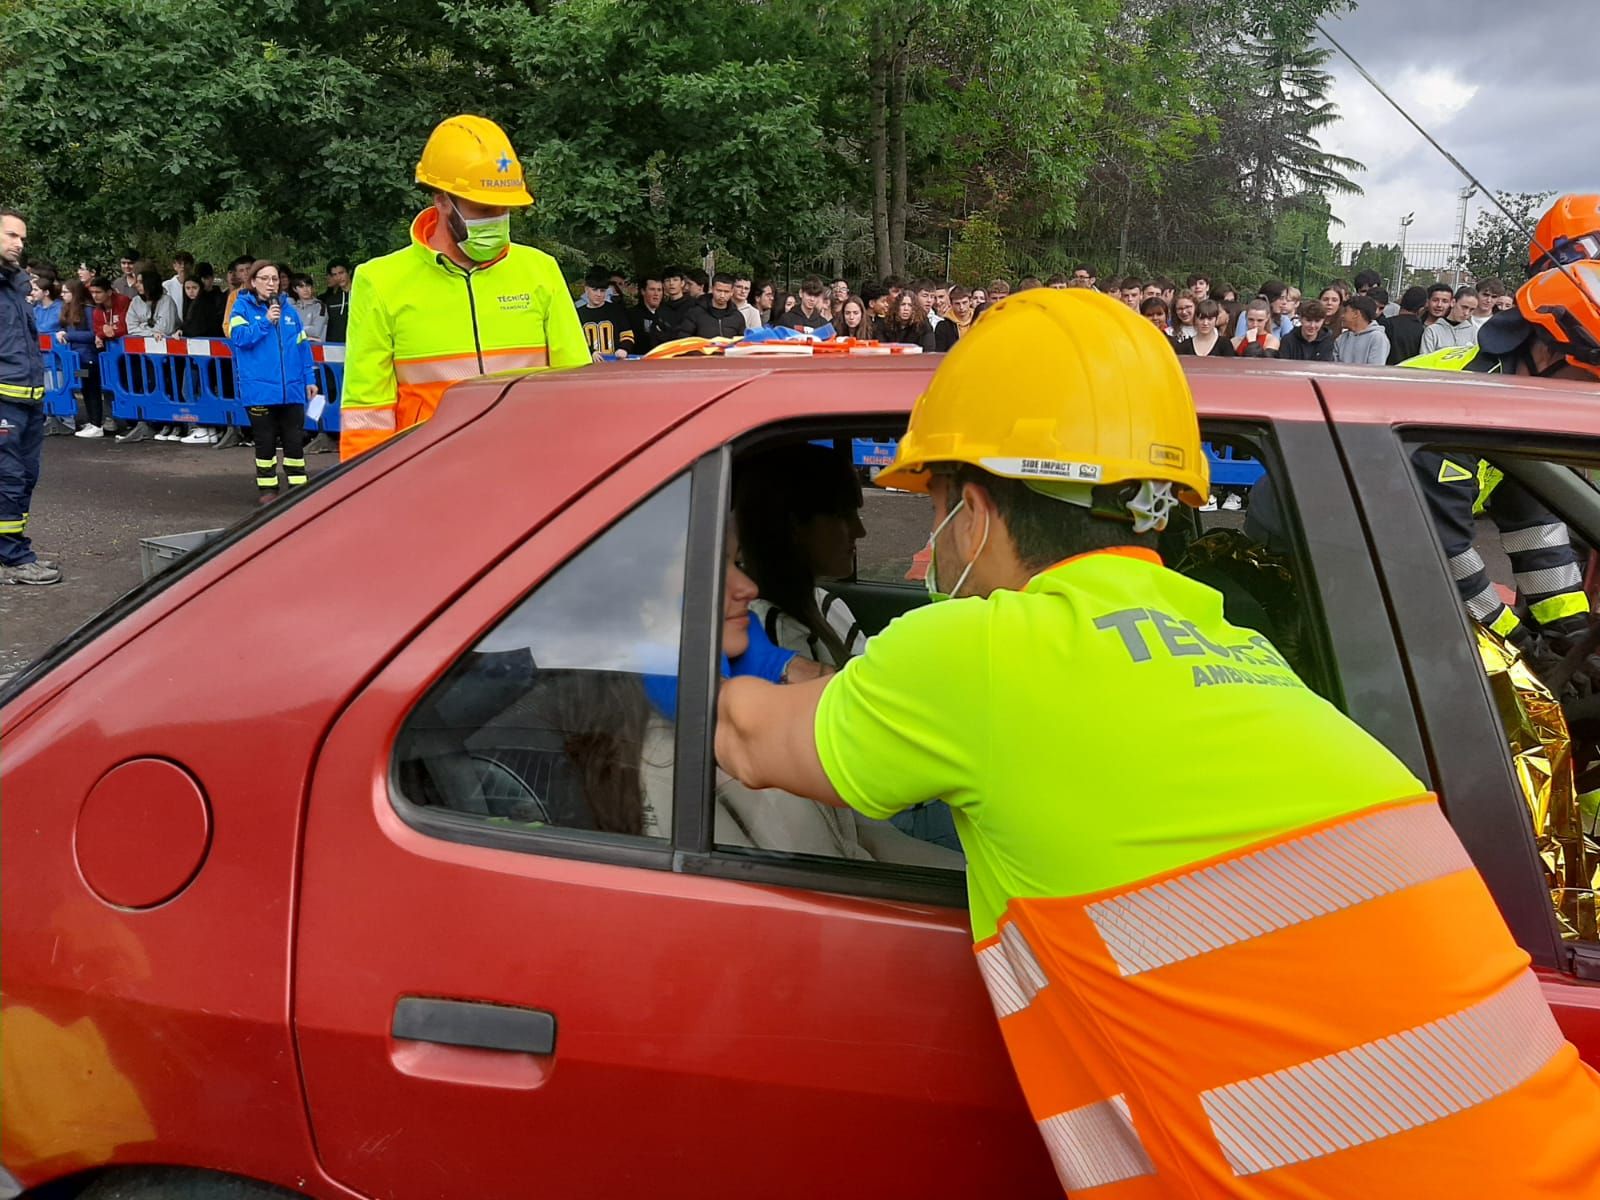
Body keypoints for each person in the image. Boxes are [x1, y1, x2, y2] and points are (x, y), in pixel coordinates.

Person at [713, 286, 1600, 1195]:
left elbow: (742, 741)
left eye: (931, 505)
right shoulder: (1234, 646)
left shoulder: (979, 655)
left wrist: (679, 635)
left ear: (970, 512)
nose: (922, 547)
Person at [340, 114, 589, 461]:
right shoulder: (380, 281)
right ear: (442, 199)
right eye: (484, 208)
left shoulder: (540, 270)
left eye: (505, 209)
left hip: (530, 467)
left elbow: (575, 388)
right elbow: (366, 411)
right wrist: (360, 494)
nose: (497, 219)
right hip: (428, 474)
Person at [1399, 261, 1600, 686]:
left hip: (1388, 554)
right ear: (1547, 352)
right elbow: (1443, 554)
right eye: (1591, 379)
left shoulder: (1513, 399)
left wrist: (1573, 633)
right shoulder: (1461, 405)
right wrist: (1522, 646)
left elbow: (1534, 525)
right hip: (1307, 559)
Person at [0, 209, 59, 584]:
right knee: (8, 478)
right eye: (11, 236)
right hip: (4, 399)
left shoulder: (15, 286)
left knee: (25, 476)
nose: (19, 244)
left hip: (28, 398)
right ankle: (14, 558)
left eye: (22, 237)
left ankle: (15, 547)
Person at [228, 261, 315, 502]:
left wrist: (310, 378)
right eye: (265, 279)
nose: (271, 283)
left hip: (292, 389)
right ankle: (268, 489)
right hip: (260, 390)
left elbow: (303, 347)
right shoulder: (241, 308)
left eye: (274, 279)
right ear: (253, 282)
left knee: (294, 441)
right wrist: (265, 321)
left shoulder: (289, 311)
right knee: (265, 442)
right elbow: (240, 339)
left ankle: (299, 486)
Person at [578, 265, 639, 357]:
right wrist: (591, 352)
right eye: (595, 290)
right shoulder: (578, 314)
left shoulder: (616, 310)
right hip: (589, 364)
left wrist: (624, 349)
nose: (598, 294)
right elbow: (575, 340)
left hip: (614, 362)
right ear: (586, 289)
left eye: (602, 291)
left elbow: (627, 335)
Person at [676, 272, 746, 340]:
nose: (722, 295)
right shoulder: (695, 313)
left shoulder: (737, 317)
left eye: (726, 292)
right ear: (712, 289)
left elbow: (743, 342)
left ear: (732, 292)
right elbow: (683, 339)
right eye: (719, 291)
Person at [1418, 285, 1479, 355]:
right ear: (1453, 302)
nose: (1466, 313)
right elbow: (1424, 360)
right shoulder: (1432, 331)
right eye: (1464, 307)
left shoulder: (1474, 332)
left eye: (1472, 309)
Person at [1334, 294, 1389, 365]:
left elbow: (1375, 371)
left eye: (1345, 311)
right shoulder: (1341, 338)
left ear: (1356, 314)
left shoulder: (1378, 338)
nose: (1342, 316)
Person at [1383, 285, 1428, 364]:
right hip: (1410, 372)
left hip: (1387, 371)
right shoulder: (1423, 330)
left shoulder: (1386, 324)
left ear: (1401, 301)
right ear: (1421, 309)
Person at [631, 275, 675, 353]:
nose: (656, 293)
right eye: (652, 289)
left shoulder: (670, 314)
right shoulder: (632, 315)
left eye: (659, 290)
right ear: (643, 291)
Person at [289, 274, 329, 343]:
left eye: (308, 285)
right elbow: (286, 329)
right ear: (295, 289)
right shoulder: (292, 307)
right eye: (301, 286)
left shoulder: (320, 306)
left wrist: (296, 329)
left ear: (312, 287)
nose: (305, 289)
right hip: (296, 348)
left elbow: (316, 331)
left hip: (315, 349)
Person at [321, 259, 353, 342]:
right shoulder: (330, 301)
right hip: (337, 347)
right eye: (334, 274)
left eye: (341, 273)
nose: (339, 277)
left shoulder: (362, 295)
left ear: (349, 272)